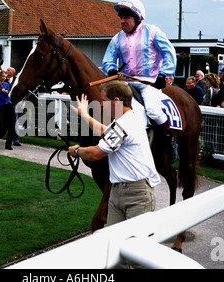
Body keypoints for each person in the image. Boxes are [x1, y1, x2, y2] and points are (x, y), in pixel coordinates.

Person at [68, 81, 160, 267]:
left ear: (116, 101)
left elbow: (95, 153)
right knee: (114, 253)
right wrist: (84, 114)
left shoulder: (124, 123)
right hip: (118, 194)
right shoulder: (126, 120)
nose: (101, 105)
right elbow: (104, 131)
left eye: (104, 100)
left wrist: (77, 151)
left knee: (138, 259)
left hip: (138, 196)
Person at [101, 0, 177, 162]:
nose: (122, 21)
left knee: (152, 110)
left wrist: (164, 75)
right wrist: (112, 69)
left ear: (137, 18)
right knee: (109, 109)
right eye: (121, 17)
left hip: (149, 82)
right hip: (126, 82)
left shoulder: (152, 32)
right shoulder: (116, 39)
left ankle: (169, 141)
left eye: (126, 17)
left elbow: (169, 52)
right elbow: (107, 60)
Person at [5, 66, 21, 146]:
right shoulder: (3, 80)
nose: (6, 71)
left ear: (12, 72)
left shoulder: (16, 81)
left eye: (8, 70)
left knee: (15, 120)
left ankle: (16, 139)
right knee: (5, 121)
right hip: (5, 103)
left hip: (14, 102)